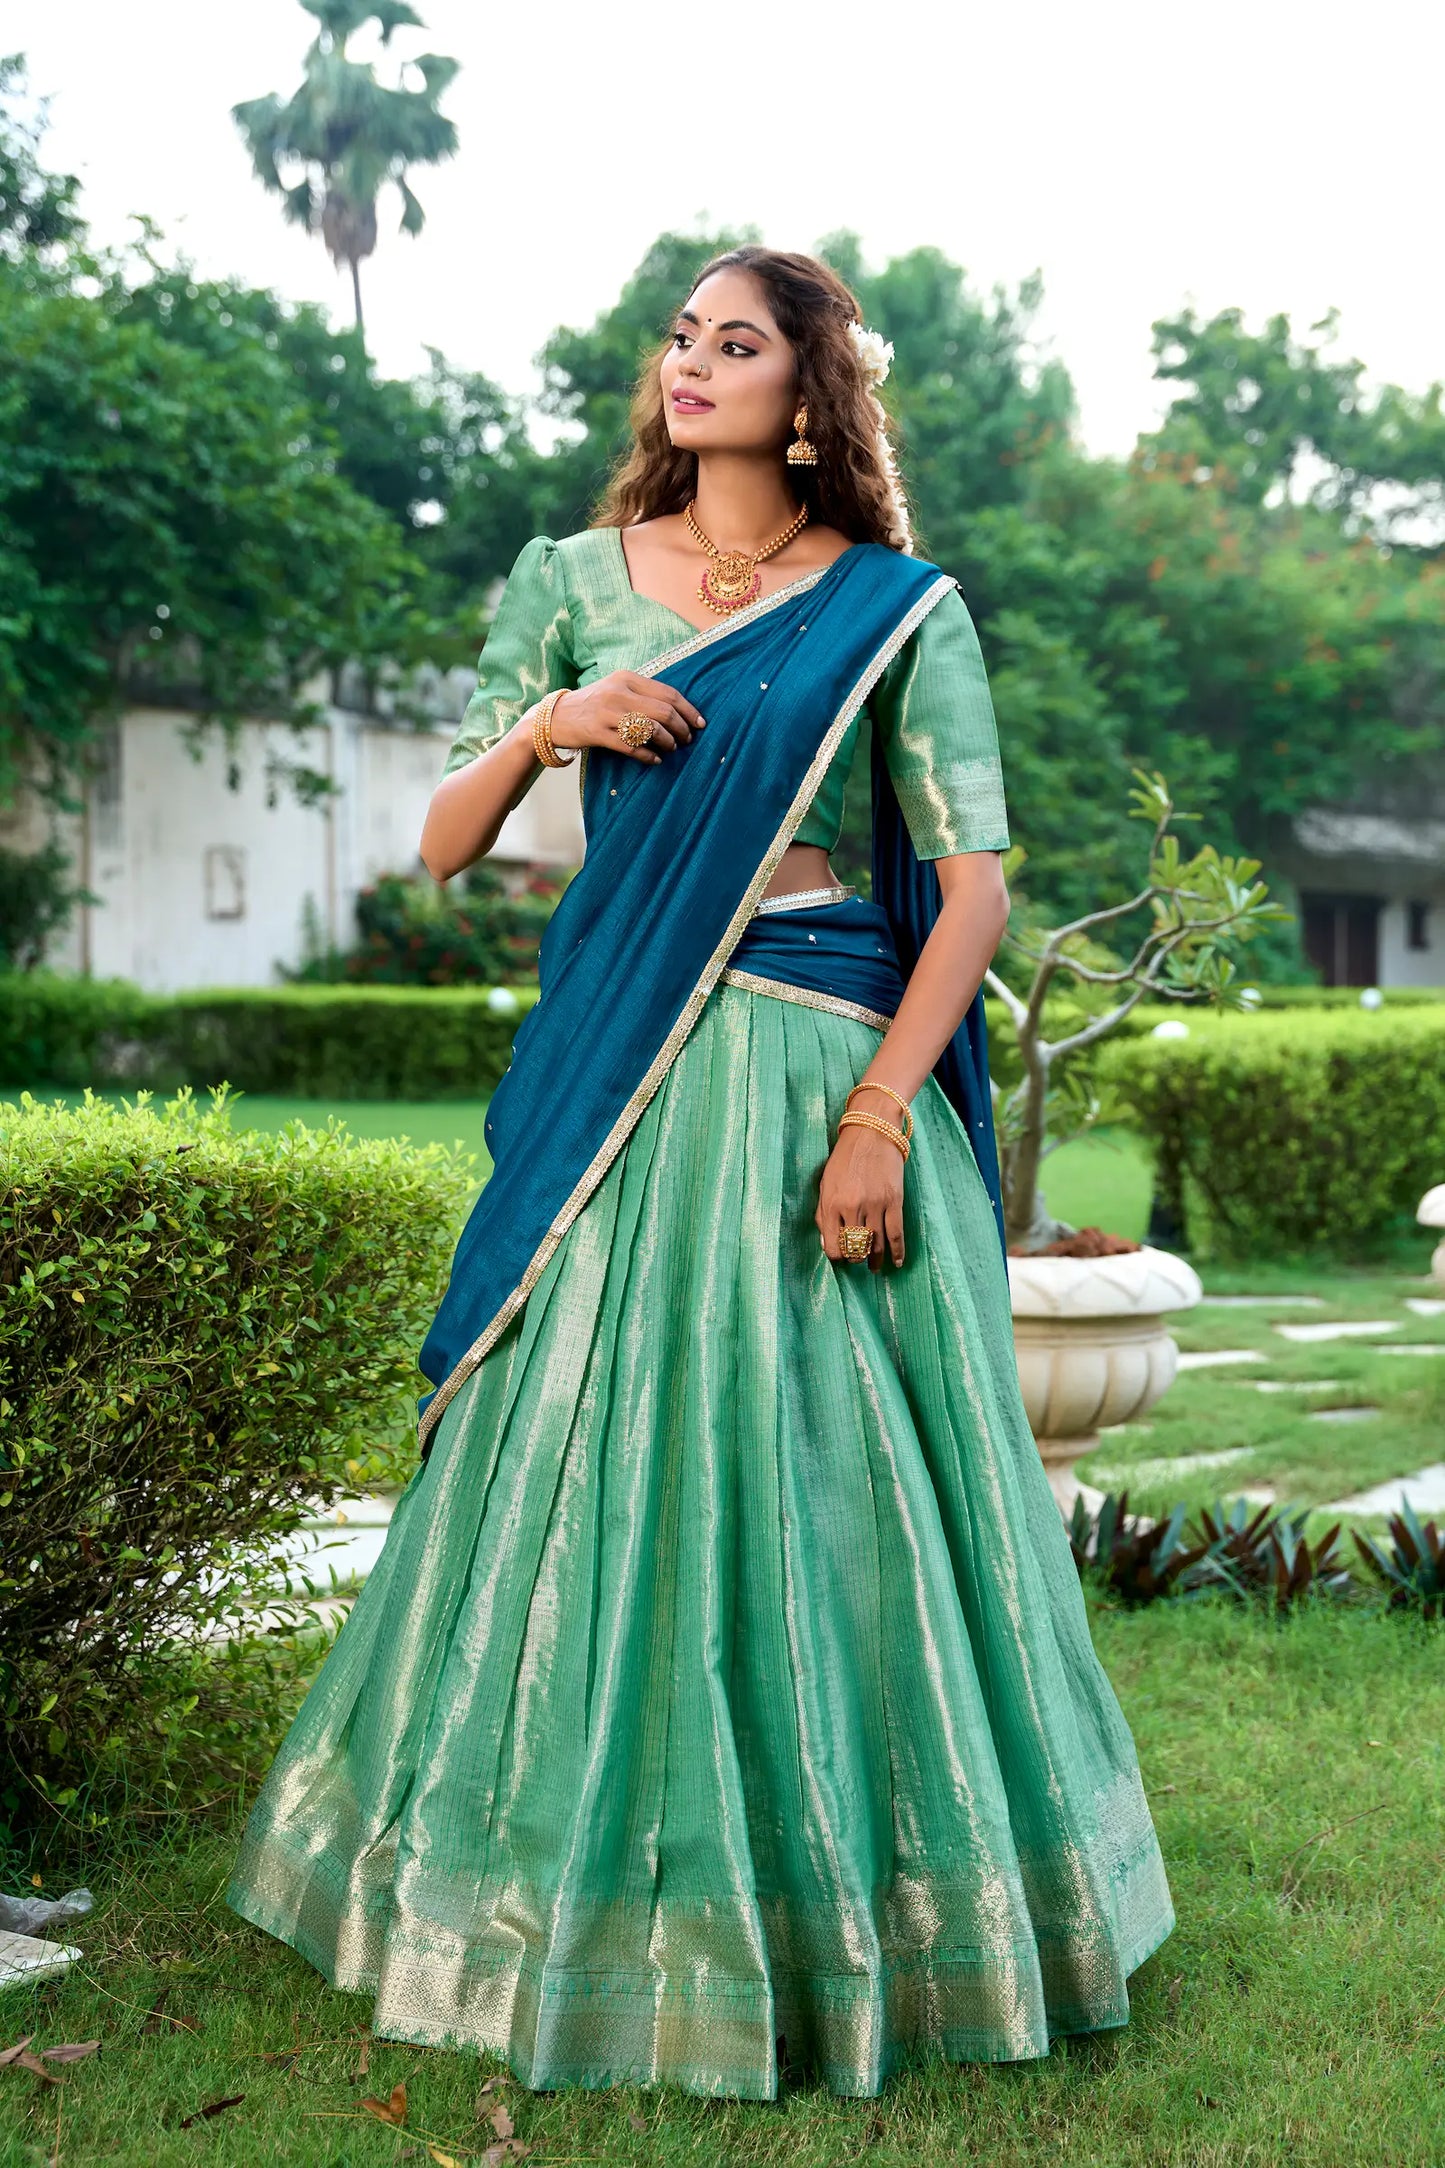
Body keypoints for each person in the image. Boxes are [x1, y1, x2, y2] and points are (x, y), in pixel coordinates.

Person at [227, 246, 1176, 2100]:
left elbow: (970, 889)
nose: (690, 364)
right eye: (680, 336)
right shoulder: (568, 581)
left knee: (835, 1480)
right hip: (624, 1080)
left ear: (809, 399)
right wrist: (551, 725)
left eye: (734, 344)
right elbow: (442, 841)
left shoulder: (895, 609)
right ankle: (542, 1891)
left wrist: (881, 1116)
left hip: (819, 1064)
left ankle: (865, 1907)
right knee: (586, 1455)